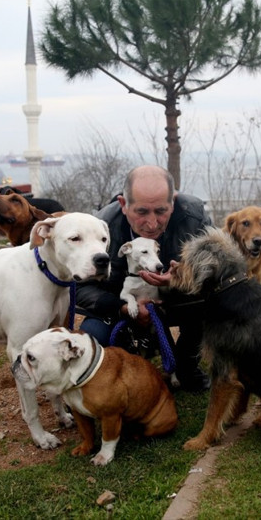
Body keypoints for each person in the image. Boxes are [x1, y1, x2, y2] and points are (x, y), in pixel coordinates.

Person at [76, 165, 211, 391]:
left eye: (161, 211)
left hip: (175, 300)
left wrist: (182, 277)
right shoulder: (98, 227)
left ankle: (187, 364)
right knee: (92, 335)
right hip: (119, 302)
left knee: (212, 307)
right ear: (123, 205)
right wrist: (122, 307)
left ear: (174, 202)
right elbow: (79, 287)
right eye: (141, 212)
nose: (151, 223)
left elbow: (221, 269)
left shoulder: (194, 216)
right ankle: (110, 369)